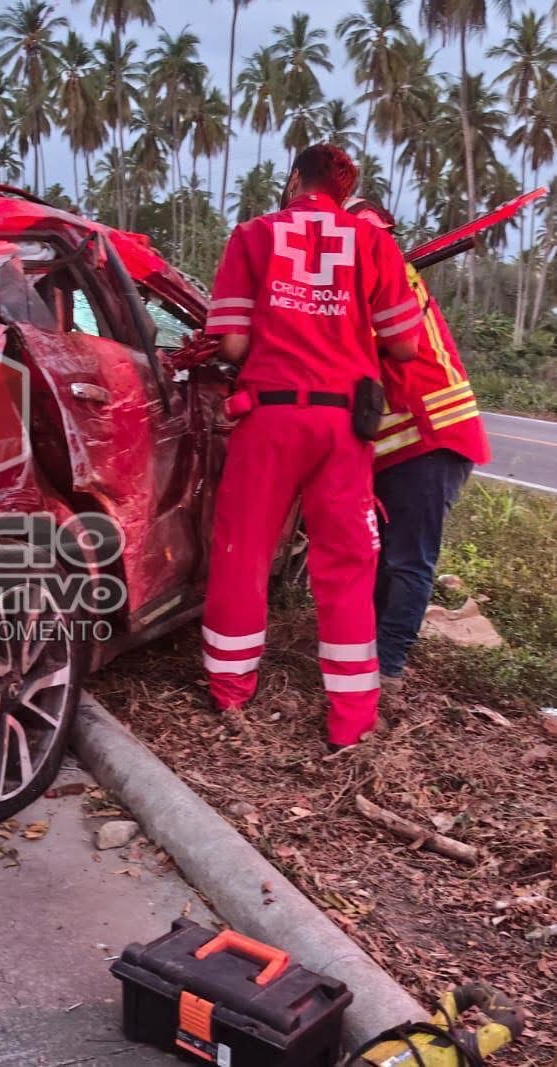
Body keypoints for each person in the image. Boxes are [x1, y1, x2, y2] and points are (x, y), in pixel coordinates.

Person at [197, 144, 422, 750]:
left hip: (268, 418)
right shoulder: (373, 241)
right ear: (346, 192)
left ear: (295, 178)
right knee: (347, 566)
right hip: (344, 426)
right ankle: (350, 721)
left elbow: (232, 347)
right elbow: (405, 346)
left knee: (243, 551)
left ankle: (230, 692)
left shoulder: (253, 235)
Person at [344, 198, 491, 692]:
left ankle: (386, 667)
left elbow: (363, 343)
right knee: (387, 556)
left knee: (407, 559)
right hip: (403, 443)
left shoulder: (387, 278)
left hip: (430, 436)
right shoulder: (375, 279)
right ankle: (369, 652)